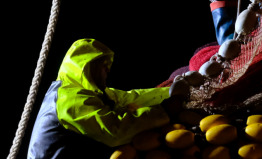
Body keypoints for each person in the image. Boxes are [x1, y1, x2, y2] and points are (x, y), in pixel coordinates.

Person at [27, 38, 181, 158]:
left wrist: (171, 91)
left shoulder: (91, 93)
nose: (108, 69)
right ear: (86, 67)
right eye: (103, 64)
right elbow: (115, 130)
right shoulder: (68, 98)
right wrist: (164, 111)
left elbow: (129, 98)